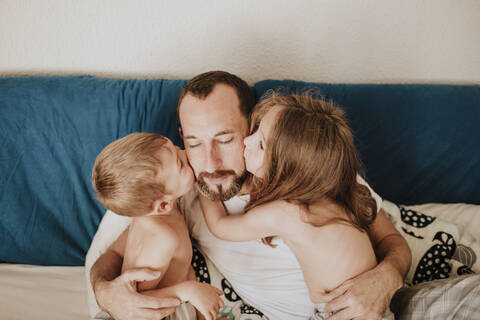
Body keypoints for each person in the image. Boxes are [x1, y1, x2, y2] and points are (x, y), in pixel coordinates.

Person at [88, 71, 412, 320]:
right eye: (195, 143)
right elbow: (113, 255)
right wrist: (106, 292)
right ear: (181, 140)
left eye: (225, 139)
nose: (210, 163)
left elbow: (393, 242)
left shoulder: (312, 170)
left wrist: (387, 276)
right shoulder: (175, 193)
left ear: (251, 130)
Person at [198, 93, 381, 319]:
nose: (247, 140)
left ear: (286, 171)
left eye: (261, 144)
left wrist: (202, 181)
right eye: (255, 132)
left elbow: (220, 226)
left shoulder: (288, 213)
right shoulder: (334, 194)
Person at [91, 132, 224, 320]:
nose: (184, 152)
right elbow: (139, 301)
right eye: (180, 163)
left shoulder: (149, 217)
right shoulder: (162, 239)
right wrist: (189, 291)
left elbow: (183, 265)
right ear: (162, 205)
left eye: (175, 148)